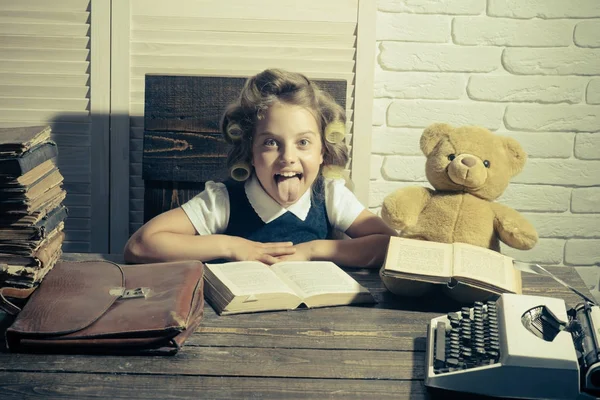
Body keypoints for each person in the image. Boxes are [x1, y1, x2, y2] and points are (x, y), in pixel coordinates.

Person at [124, 68, 396, 267]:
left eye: (303, 142)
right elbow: (140, 245)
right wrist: (231, 246)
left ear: (323, 151)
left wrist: (314, 250)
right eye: (270, 143)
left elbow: (391, 246)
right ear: (250, 152)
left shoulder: (330, 196)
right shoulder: (224, 200)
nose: (287, 157)